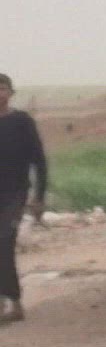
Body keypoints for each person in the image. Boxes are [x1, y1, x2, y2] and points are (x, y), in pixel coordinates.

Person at [0, 73, 48, 324]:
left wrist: (39, 197)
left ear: (11, 93)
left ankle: (13, 302)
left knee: (4, 243)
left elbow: (39, 161)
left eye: (2, 88)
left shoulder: (21, 122)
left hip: (14, 193)